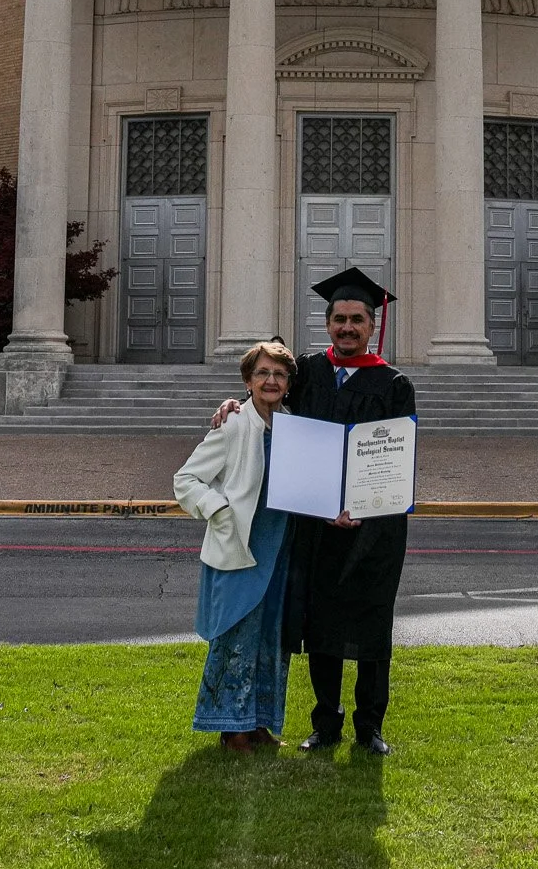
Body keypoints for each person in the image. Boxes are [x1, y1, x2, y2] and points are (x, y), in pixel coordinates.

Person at [213, 267, 415, 756]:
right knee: (320, 624)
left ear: (372, 325)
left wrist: (361, 505)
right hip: (315, 522)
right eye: (339, 319)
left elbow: (395, 457)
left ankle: (370, 727)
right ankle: (326, 724)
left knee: (371, 624)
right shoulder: (308, 372)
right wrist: (233, 405)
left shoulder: (393, 383)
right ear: (327, 324)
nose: (348, 328)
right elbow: (271, 403)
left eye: (357, 320)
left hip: (375, 526)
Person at [174, 341, 297, 754]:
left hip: (278, 547)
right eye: (263, 373)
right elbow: (187, 480)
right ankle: (232, 729)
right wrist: (219, 509)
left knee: (270, 638)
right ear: (248, 380)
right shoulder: (232, 424)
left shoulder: (292, 425)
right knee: (235, 636)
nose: (271, 381)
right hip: (238, 546)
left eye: (279, 374)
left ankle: (260, 722)